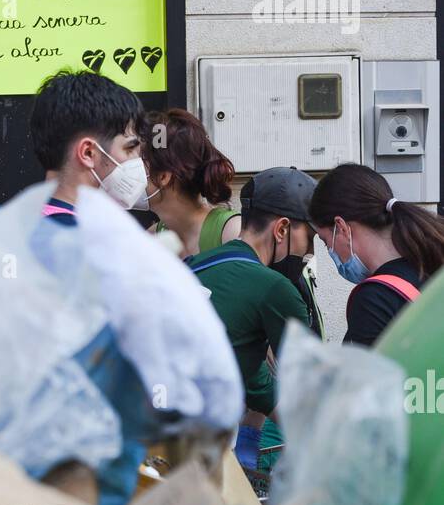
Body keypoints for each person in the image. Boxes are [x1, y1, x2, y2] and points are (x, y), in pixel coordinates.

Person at [186, 167, 319, 471]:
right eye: (308, 237)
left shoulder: (193, 265)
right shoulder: (275, 288)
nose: (310, 251)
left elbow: (234, 350)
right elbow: (307, 388)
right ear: (282, 229)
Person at [309, 162, 444, 345]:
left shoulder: (374, 299)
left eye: (326, 242)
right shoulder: (432, 267)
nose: (330, 252)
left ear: (341, 228)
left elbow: (364, 373)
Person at [29, 70, 147, 223]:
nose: (137, 160)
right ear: (88, 153)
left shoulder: (25, 223)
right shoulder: (78, 239)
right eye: (129, 149)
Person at [141, 108, 242, 256]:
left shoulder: (231, 233)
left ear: (163, 176)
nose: (129, 168)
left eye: (139, 161)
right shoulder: (151, 239)